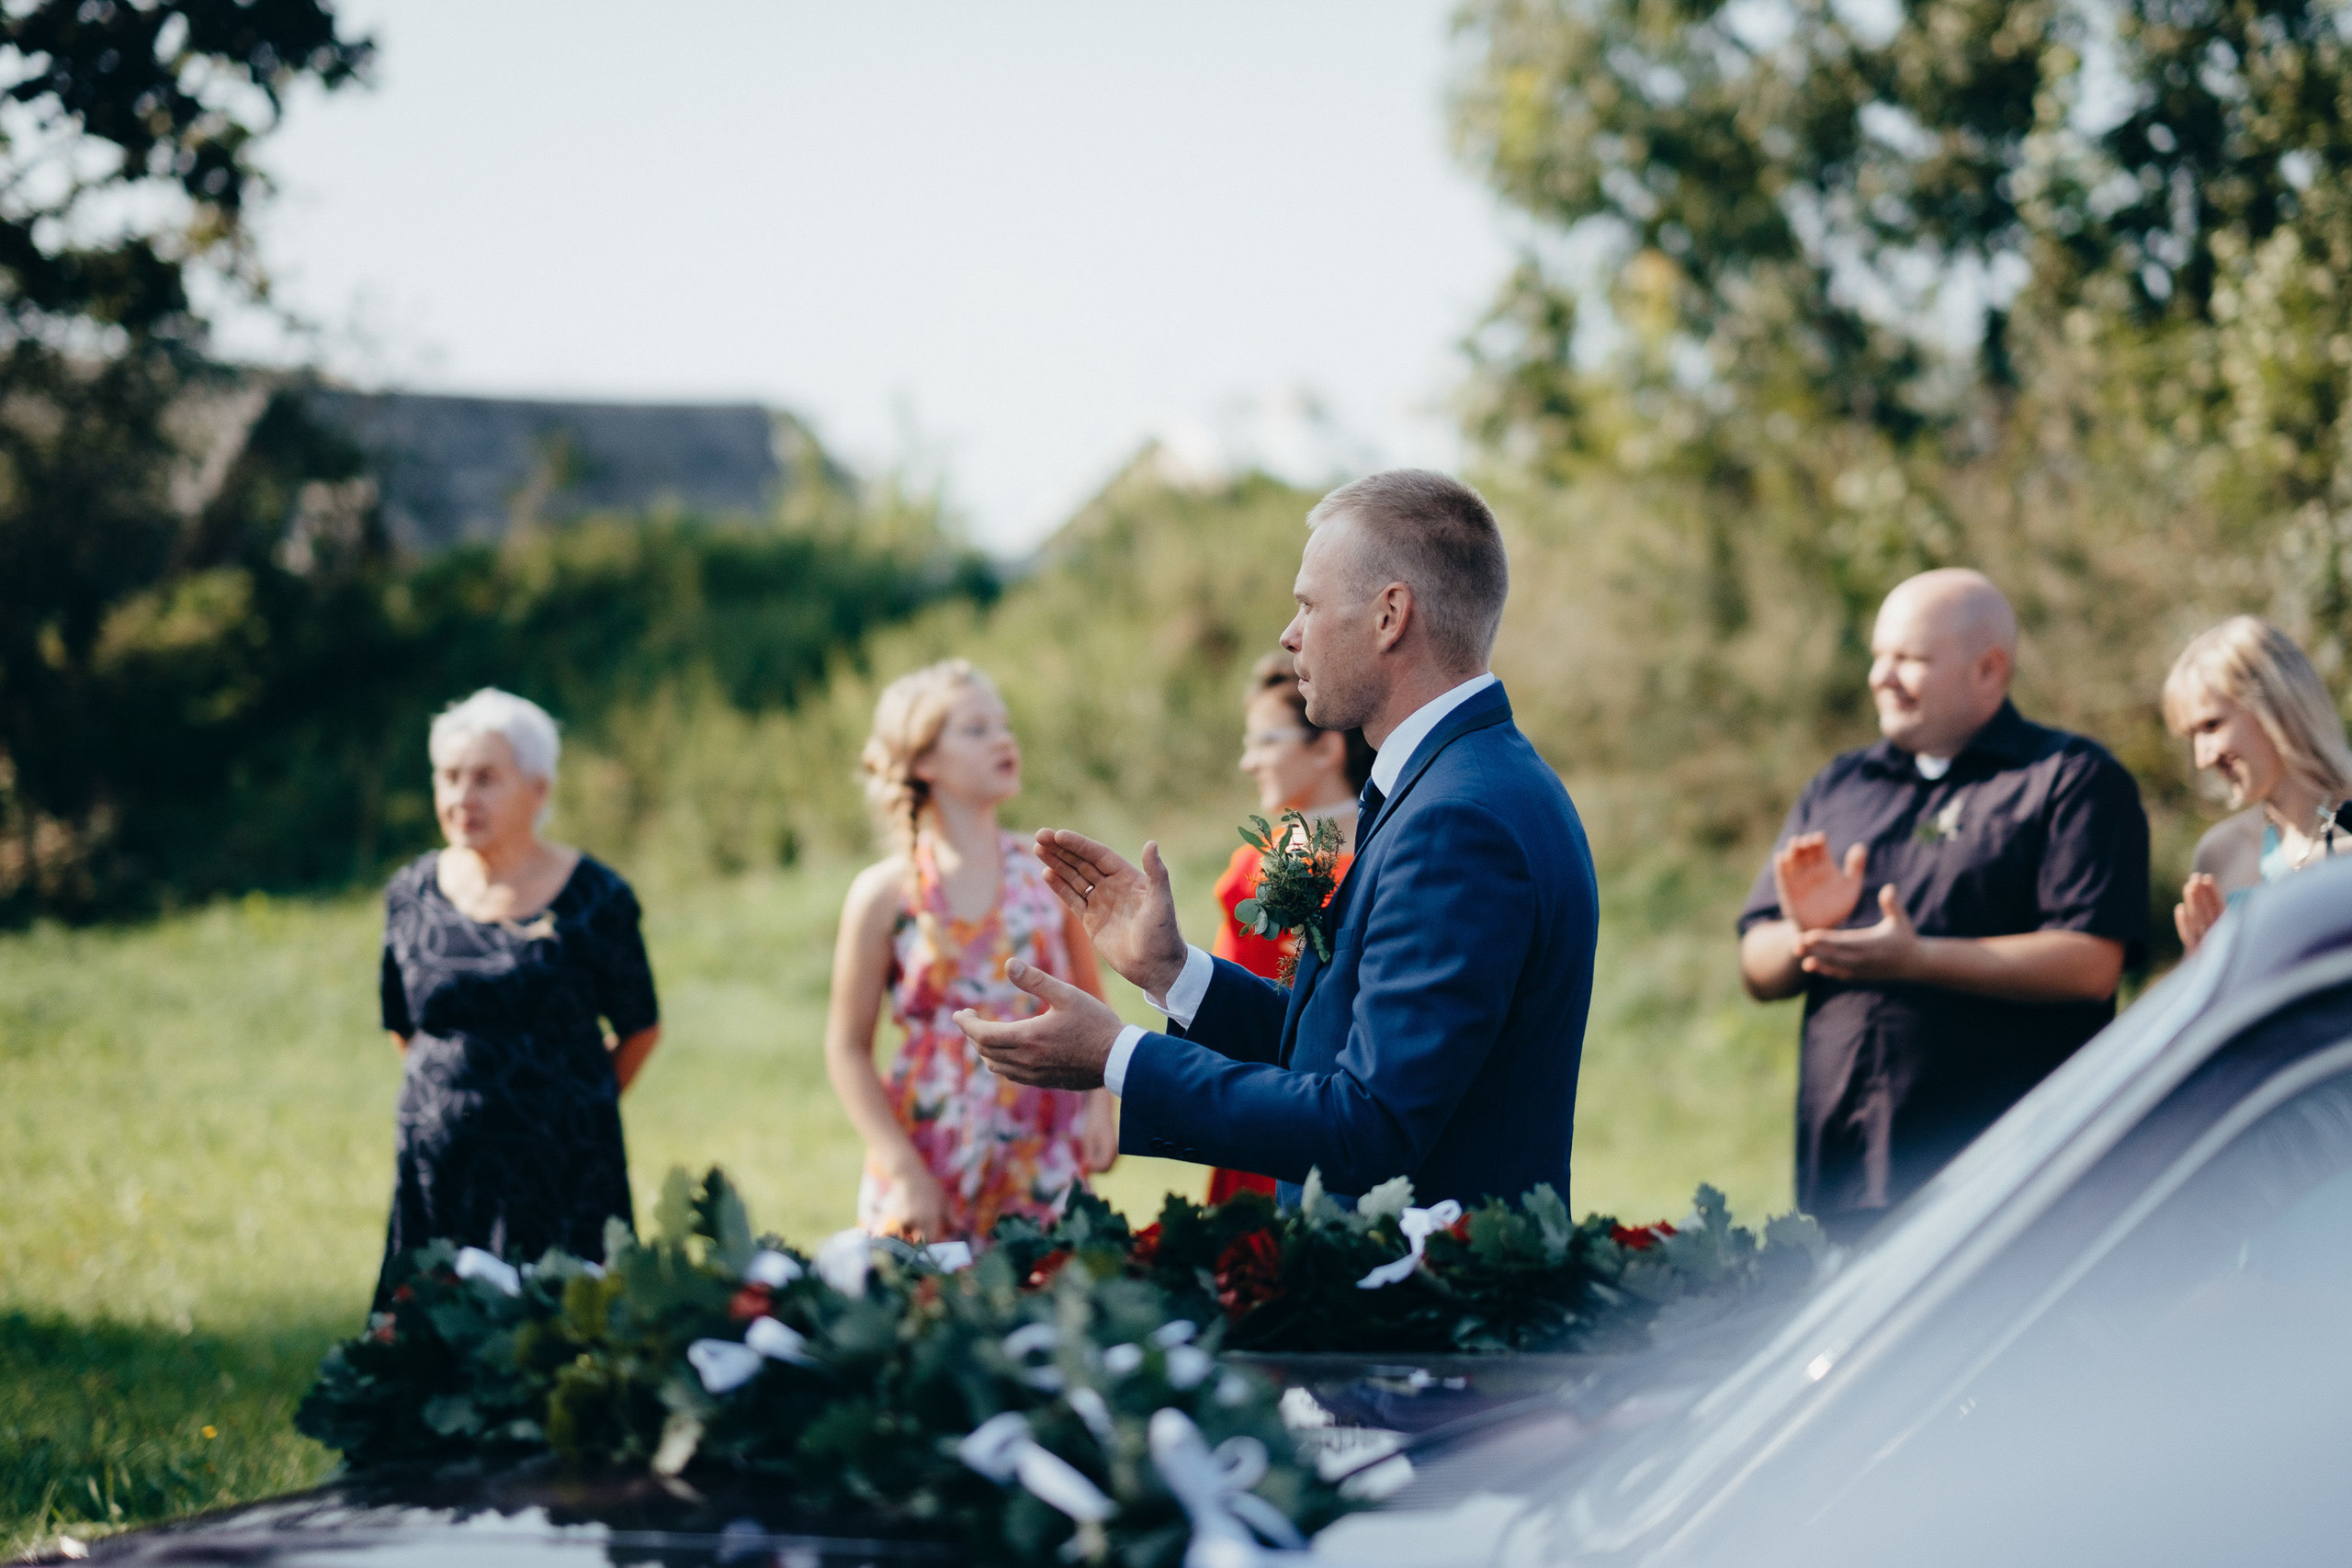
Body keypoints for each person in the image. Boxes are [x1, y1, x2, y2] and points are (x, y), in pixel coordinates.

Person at [950, 469, 1600, 1212]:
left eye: (1308, 604)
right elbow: (1346, 1045)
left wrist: (1118, 1056)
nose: (1290, 633)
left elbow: (1370, 1123)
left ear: (1390, 615)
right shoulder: (1469, 778)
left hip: (1425, 1305)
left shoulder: (1460, 819)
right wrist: (1175, 973)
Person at [1737, 570, 2150, 1243]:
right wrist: (1805, 934)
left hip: (2011, 1179)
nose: (1882, 676)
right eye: (1880, 655)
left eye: (1911, 659)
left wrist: (1918, 958)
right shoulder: (1839, 784)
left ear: (1989, 670)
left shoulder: (2071, 779)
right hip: (1842, 1181)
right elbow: (1756, 965)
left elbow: (2091, 963)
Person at [376, 688, 660, 1307]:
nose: (461, 798)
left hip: (567, 1172)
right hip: (441, 1176)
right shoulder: (411, 893)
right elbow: (406, 1026)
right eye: (449, 777)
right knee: (434, 1350)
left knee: (565, 1351)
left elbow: (640, 1026)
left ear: (538, 789)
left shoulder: (597, 898)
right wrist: (452, 1099)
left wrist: (573, 1101)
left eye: (484, 779)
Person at [824, 660, 1118, 1243]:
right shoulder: (884, 895)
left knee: (1048, 1311)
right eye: (976, 729)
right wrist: (903, 1169)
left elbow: (1089, 1003)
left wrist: (1100, 1106)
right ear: (922, 760)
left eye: (1004, 726)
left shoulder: (1047, 877)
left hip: (1041, 1147)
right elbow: (848, 1050)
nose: (1003, 739)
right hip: (927, 1150)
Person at [1204, 652, 1375, 1203]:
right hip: (1257, 1116)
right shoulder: (1248, 872)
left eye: (1266, 742)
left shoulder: (1385, 865)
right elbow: (1221, 1008)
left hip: (1348, 1120)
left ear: (1326, 746)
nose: (1248, 763)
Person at [2163, 616, 2352, 954]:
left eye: (2211, 725)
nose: (2203, 759)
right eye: (2192, 736)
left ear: (2275, 703)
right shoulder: (2218, 854)